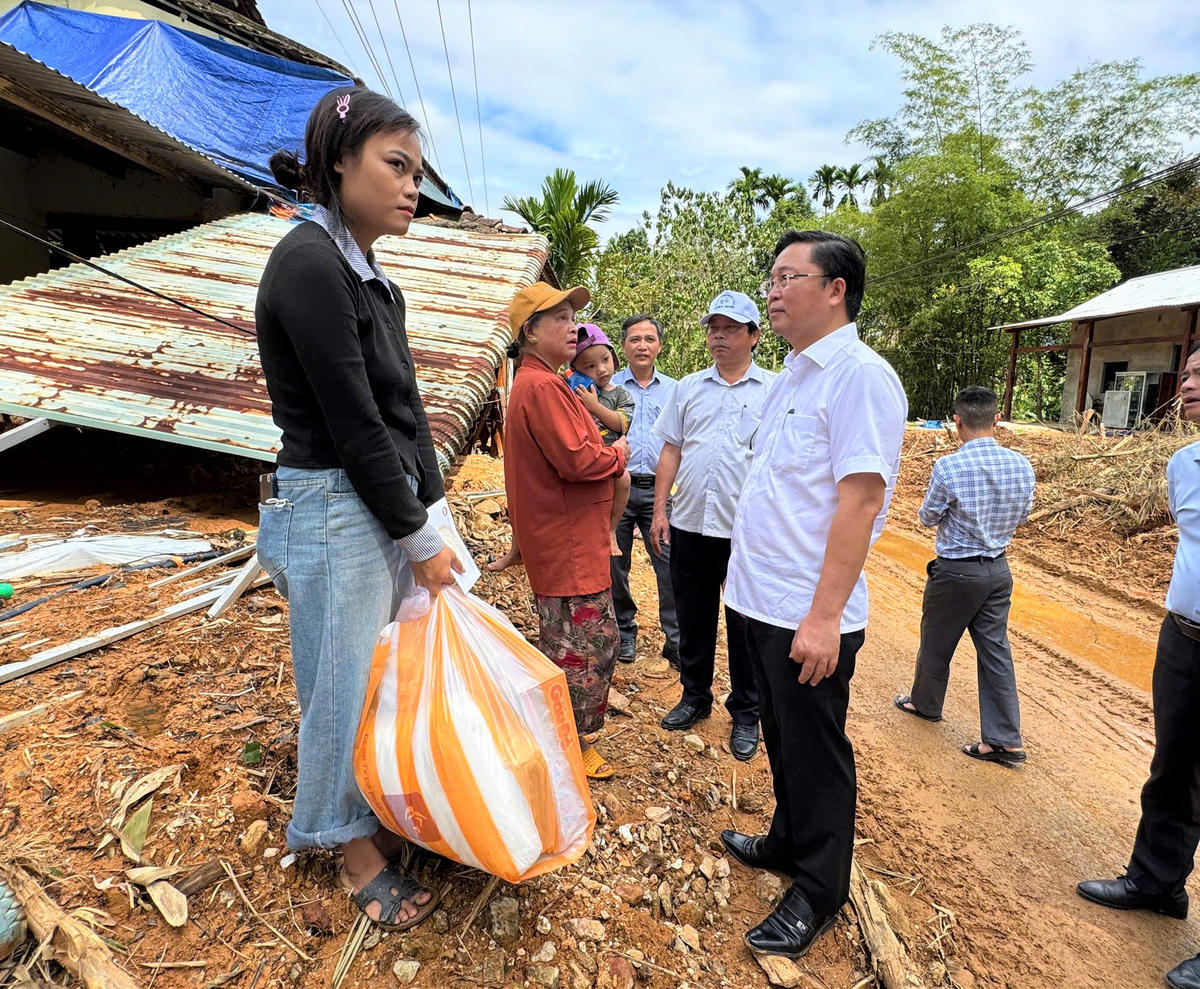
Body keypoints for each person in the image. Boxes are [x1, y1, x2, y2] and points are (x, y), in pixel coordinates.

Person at [255, 86, 461, 932]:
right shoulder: (308, 263)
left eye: (417, 170)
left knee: (376, 673)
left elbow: (406, 409)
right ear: (338, 162)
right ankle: (349, 849)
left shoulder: (376, 282)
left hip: (372, 502)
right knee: (339, 683)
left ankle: (369, 802)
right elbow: (353, 422)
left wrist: (436, 510)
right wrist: (416, 534)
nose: (413, 185)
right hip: (332, 504)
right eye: (395, 165)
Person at [720, 230, 907, 958]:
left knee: (818, 750)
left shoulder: (859, 376)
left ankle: (819, 888)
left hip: (808, 609)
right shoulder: (793, 374)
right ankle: (786, 839)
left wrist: (825, 616)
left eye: (787, 276)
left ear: (836, 289)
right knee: (782, 737)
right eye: (770, 277)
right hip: (760, 599)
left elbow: (860, 501)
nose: (772, 290)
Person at [1076, 343, 1200, 989]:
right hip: (1182, 636)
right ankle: (1156, 882)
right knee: (1172, 766)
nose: (1189, 383)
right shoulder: (1184, 463)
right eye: (1188, 372)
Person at [501, 281, 630, 781]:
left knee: (574, 641)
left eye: (573, 316)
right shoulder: (543, 386)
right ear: (530, 331)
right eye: (558, 318)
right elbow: (579, 459)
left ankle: (563, 738)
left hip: (570, 540)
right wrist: (616, 455)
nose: (572, 325)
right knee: (585, 648)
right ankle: (569, 746)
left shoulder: (543, 383)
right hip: (569, 546)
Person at [650, 290, 775, 762]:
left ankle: (746, 712)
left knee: (745, 626)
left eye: (729, 328)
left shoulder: (774, 390)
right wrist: (660, 510)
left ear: (753, 336)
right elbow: (672, 449)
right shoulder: (688, 389)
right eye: (713, 328)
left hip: (747, 533)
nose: (718, 336)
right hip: (690, 525)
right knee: (693, 616)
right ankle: (695, 696)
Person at [893, 385, 1035, 767]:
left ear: (956, 421)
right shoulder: (1021, 464)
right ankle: (1004, 739)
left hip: (956, 571)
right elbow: (1023, 516)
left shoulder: (948, 466)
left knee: (937, 642)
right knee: (995, 652)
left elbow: (928, 517)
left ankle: (925, 704)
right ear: (997, 419)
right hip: (998, 570)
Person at [610, 315, 681, 664]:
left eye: (649, 339)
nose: (642, 345)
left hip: (659, 492)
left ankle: (675, 639)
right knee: (614, 564)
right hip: (615, 489)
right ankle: (624, 633)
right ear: (623, 346)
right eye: (634, 339)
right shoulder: (607, 387)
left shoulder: (675, 390)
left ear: (659, 346)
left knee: (669, 567)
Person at [571, 324, 633, 555]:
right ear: (576, 369)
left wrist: (594, 406)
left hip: (613, 460)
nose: (601, 369)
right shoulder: (576, 391)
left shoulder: (621, 394)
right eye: (589, 366)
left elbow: (622, 423)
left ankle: (611, 528)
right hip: (588, 459)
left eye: (605, 359)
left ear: (614, 357)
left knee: (624, 480)